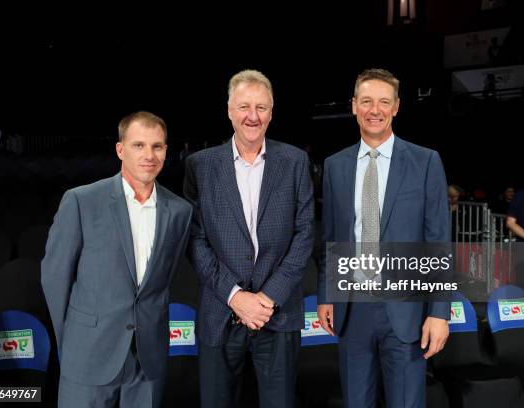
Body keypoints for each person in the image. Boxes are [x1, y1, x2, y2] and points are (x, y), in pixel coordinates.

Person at [317, 68, 450, 408]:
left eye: (383, 102)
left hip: (406, 309)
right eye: (366, 101)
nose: (374, 110)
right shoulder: (335, 166)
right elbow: (331, 237)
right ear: (353, 106)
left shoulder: (425, 162)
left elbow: (438, 242)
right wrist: (326, 295)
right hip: (352, 308)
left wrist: (439, 312)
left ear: (396, 107)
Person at [41, 111, 192, 407]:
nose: (149, 155)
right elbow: (54, 277)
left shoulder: (180, 211)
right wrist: (73, 340)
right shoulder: (82, 201)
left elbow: (162, 283)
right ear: (120, 150)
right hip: (88, 355)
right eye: (139, 145)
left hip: (147, 359)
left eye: (157, 146)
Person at [184, 69, 314, 408]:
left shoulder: (295, 161)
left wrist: (268, 298)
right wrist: (235, 296)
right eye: (244, 107)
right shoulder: (200, 165)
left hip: (278, 314)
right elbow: (196, 240)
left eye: (261, 107)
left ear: (272, 112)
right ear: (229, 110)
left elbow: (305, 234)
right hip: (220, 312)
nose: (252, 116)